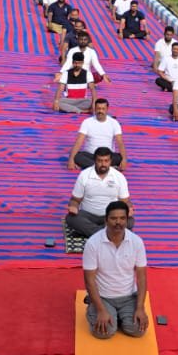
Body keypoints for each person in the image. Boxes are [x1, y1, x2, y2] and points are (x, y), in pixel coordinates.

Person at [83, 200, 149, 339]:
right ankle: (95, 306)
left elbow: (142, 277)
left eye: (122, 218)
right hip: (103, 297)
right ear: (106, 220)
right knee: (104, 332)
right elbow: (89, 280)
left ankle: (118, 315)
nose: (118, 222)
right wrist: (101, 310)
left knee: (138, 330)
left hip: (129, 297)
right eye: (113, 218)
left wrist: (140, 308)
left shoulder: (137, 242)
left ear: (127, 220)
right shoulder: (93, 243)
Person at [67, 148, 130, 238]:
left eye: (106, 161)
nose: (103, 164)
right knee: (71, 218)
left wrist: (129, 208)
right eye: (100, 161)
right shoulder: (84, 175)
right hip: (88, 215)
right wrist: (73, 206)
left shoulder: (119, 177)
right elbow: (75, 199)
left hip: (111, 217)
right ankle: (106, 234)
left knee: (130, 221)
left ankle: (93, 233)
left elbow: (125, 201)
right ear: (95, 161)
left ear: (110, 161)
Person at [68, 98, 126, 170]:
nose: (100, 111)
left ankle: (95, 167)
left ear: (107, 109)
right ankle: (107, 167)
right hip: (91, 155)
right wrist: (71, 159)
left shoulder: (114, 123)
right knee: (77, 157)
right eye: (98, 109)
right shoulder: (87, 122)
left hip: (107, 156)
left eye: (103, 109)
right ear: (95, 109)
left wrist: (124, 160)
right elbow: (79, 142)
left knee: (119, 158)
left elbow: (120, 143)